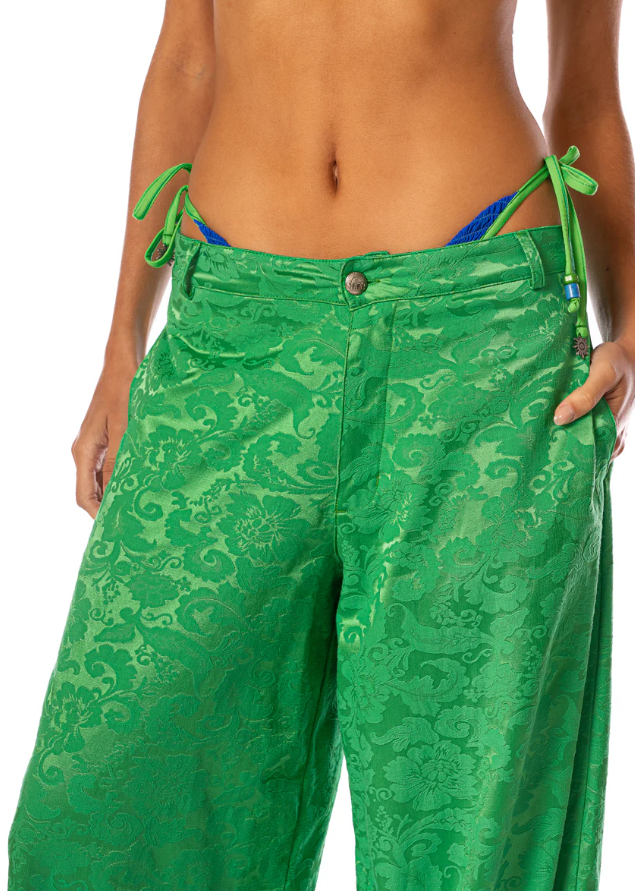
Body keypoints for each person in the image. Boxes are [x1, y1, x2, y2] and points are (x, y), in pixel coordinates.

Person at [9, 1, 635, 889]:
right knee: (100, 802)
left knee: (464, 822)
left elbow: (587, 92)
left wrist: (630, 327)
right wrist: (121, 348)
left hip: (479, 340)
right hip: (231, 332)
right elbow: (188, 57)